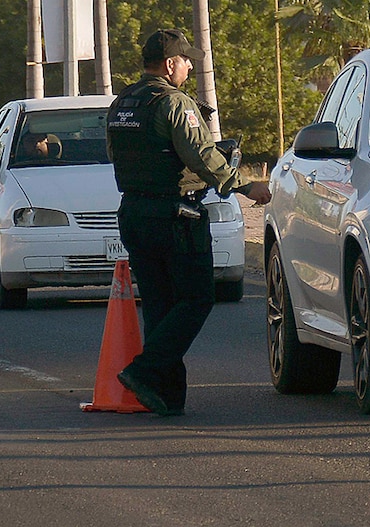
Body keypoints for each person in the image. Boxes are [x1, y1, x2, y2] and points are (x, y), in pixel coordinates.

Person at [106, 28, 272, 416]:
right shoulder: (174, 103)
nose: (189, 69)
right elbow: (200, 155)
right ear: (169, 64)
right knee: (197, 298)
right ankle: (145, 371)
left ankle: (165, 396)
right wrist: (245, 185)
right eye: (185, 61)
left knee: (161, 305)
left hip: (134, 213)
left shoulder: (123, 102)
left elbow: (115, 154)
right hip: (176, 216)